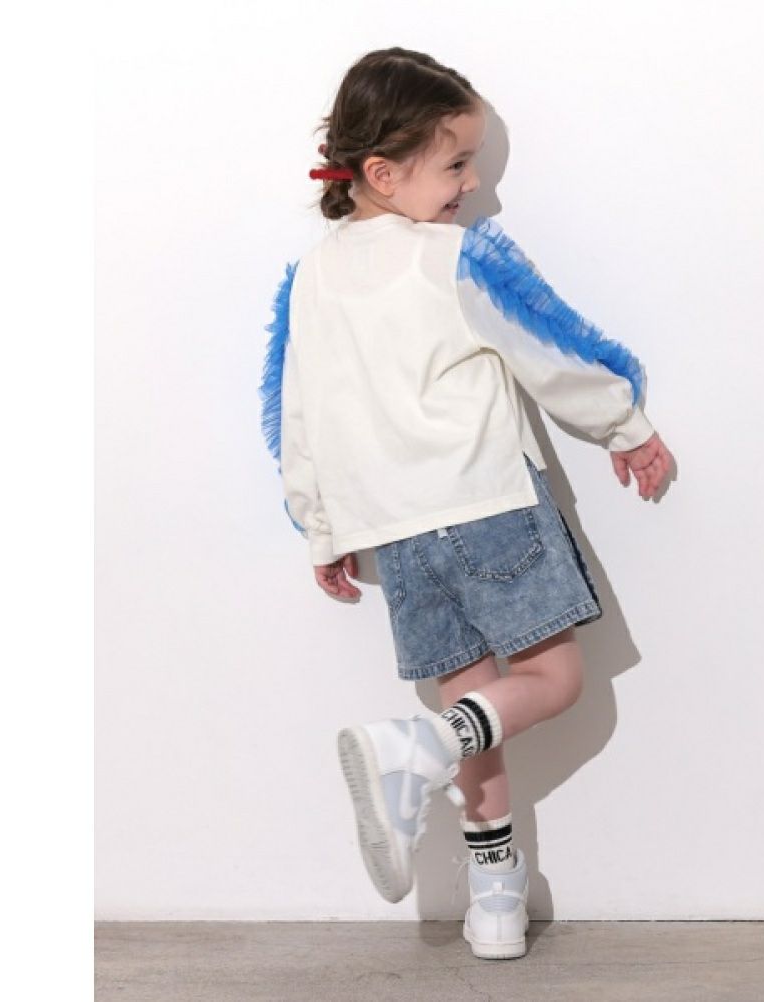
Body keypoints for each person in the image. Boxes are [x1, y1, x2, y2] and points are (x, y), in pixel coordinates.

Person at [259, 47, 674, 960]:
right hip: (487, 507)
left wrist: (322, 529)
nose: (474, 183)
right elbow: (546, 347)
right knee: (551, 684)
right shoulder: (451, 259)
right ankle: (415, 754)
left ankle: (494, 901)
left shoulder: (313, 278)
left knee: (471, 714)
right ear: (382, 173)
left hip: (395, 535)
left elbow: (298, 414)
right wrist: (625, 424)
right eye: (456, 163)